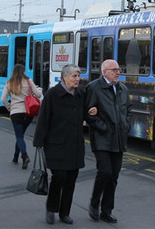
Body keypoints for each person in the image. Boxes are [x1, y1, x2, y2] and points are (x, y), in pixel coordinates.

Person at [33, 64, 91, 225]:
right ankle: (51, 208)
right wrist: (39, 141)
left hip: (74, 145)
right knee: (59, 177)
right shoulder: (52, 94)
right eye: (74, 76)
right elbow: (43, 119)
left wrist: (91, 112)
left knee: (71, 180)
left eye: (78, 76)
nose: (77, 79)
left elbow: (85, 112)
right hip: (56, 145)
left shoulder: (81, 94)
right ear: (64, 77)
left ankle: (65, 213)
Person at [86, 59, 132, 224]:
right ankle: (94, 203)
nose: (118, 72)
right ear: (104, 71)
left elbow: (128, 109)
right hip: (102, 138)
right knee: (104, 172)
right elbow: (89, 114)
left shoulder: (123, 89)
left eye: (119, 69)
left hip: (119, 138)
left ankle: (106, 211)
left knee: (114, 176)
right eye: (114, 70)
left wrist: (126, 125)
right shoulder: (94, 87)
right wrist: (103, 128)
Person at [1, 64, 42, 169]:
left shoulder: (9, 83)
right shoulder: (28, 81)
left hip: (16, 113)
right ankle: (15, 157)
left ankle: (24, 156)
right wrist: (39, 89)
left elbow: (3, 99)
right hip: (28, 113)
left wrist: (10, 108)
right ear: (23, 72)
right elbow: (38, 94)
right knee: (21, 136)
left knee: (19, 136)